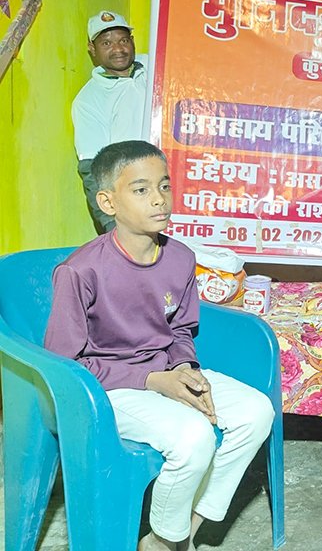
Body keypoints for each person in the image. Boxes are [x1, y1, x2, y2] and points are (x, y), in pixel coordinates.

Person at [44, 141, 274, 551]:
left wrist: (185, 370)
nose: (158, 199)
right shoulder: (80, 272)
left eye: (164, 186)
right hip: (106, 388)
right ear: (107, 202)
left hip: (165, 373)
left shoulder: (180, 258)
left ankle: (181, 531)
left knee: (257, 412)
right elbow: (65, 365)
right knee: (194, 437)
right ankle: (166, 543)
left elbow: (181, 329)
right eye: (141, 189)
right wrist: (152, 380)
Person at [72, 10, 150, 233]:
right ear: (92, 49)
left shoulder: (155, 64)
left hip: (183, 185)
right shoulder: (88, 100)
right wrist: (112, 228)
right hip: (136, 200)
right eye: (107, 43)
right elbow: (92, 170)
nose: (118, 49)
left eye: (123, 40)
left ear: (132, 41)